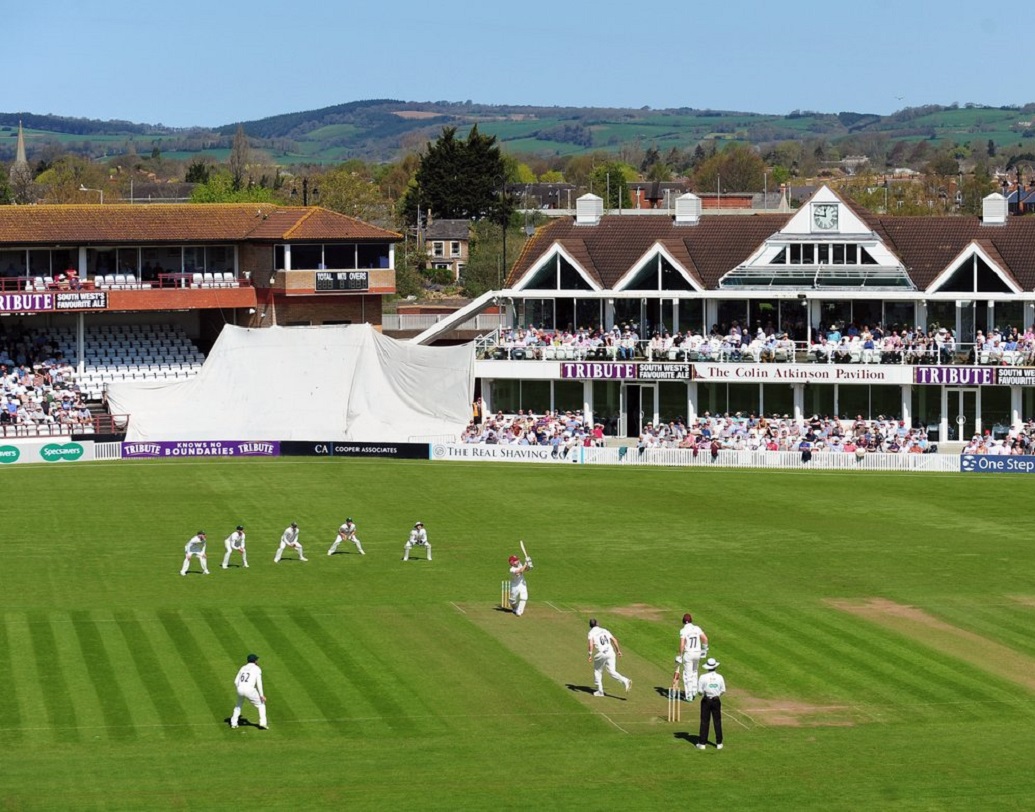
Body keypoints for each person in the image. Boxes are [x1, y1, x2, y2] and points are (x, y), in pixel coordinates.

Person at [586, 618, 631, 696]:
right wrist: (618, 651)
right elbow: (614, 640)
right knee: (612, 671)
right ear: (597, 623)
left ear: (590, 625)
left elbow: (590, 644)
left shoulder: (591, 633)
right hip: (611, 652)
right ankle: (625, 681)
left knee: (597, 671)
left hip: (602, 654)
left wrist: (590, 654)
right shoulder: (604, 630)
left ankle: (600, 691)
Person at [230, 653, 267, 730]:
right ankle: (263, 723)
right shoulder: (257, 669)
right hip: (249, 689)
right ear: (255, 661)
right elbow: (259, 683)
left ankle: (233, 723)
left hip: (240, 689)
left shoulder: (243, 667)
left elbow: (236, 681)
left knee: (238, 706)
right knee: (261, 704)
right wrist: (261, 695)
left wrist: (240, 688)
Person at [696, 657, 726, 750]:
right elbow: (723, 690)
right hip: (716, 700)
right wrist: (717, 695)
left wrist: (705, 693)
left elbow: (700, 691)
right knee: (717, 721)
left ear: (707, 667)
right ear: (715, 667)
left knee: (705, 721)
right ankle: (719, 743)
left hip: (706, 700)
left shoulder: (703, 677)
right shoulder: (720, 677)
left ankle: (702, 743)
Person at [678, 612, 709, 701]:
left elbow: (682, 644)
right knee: (695, 671)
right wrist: (704, 650)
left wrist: (679, 655)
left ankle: (689, 695)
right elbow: (705, 639)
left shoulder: (683, 630)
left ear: (683, 621)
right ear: (691, 620)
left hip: (689, 654)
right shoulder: (697, 628)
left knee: (687, 675)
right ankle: (694, 691)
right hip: (697, 653)